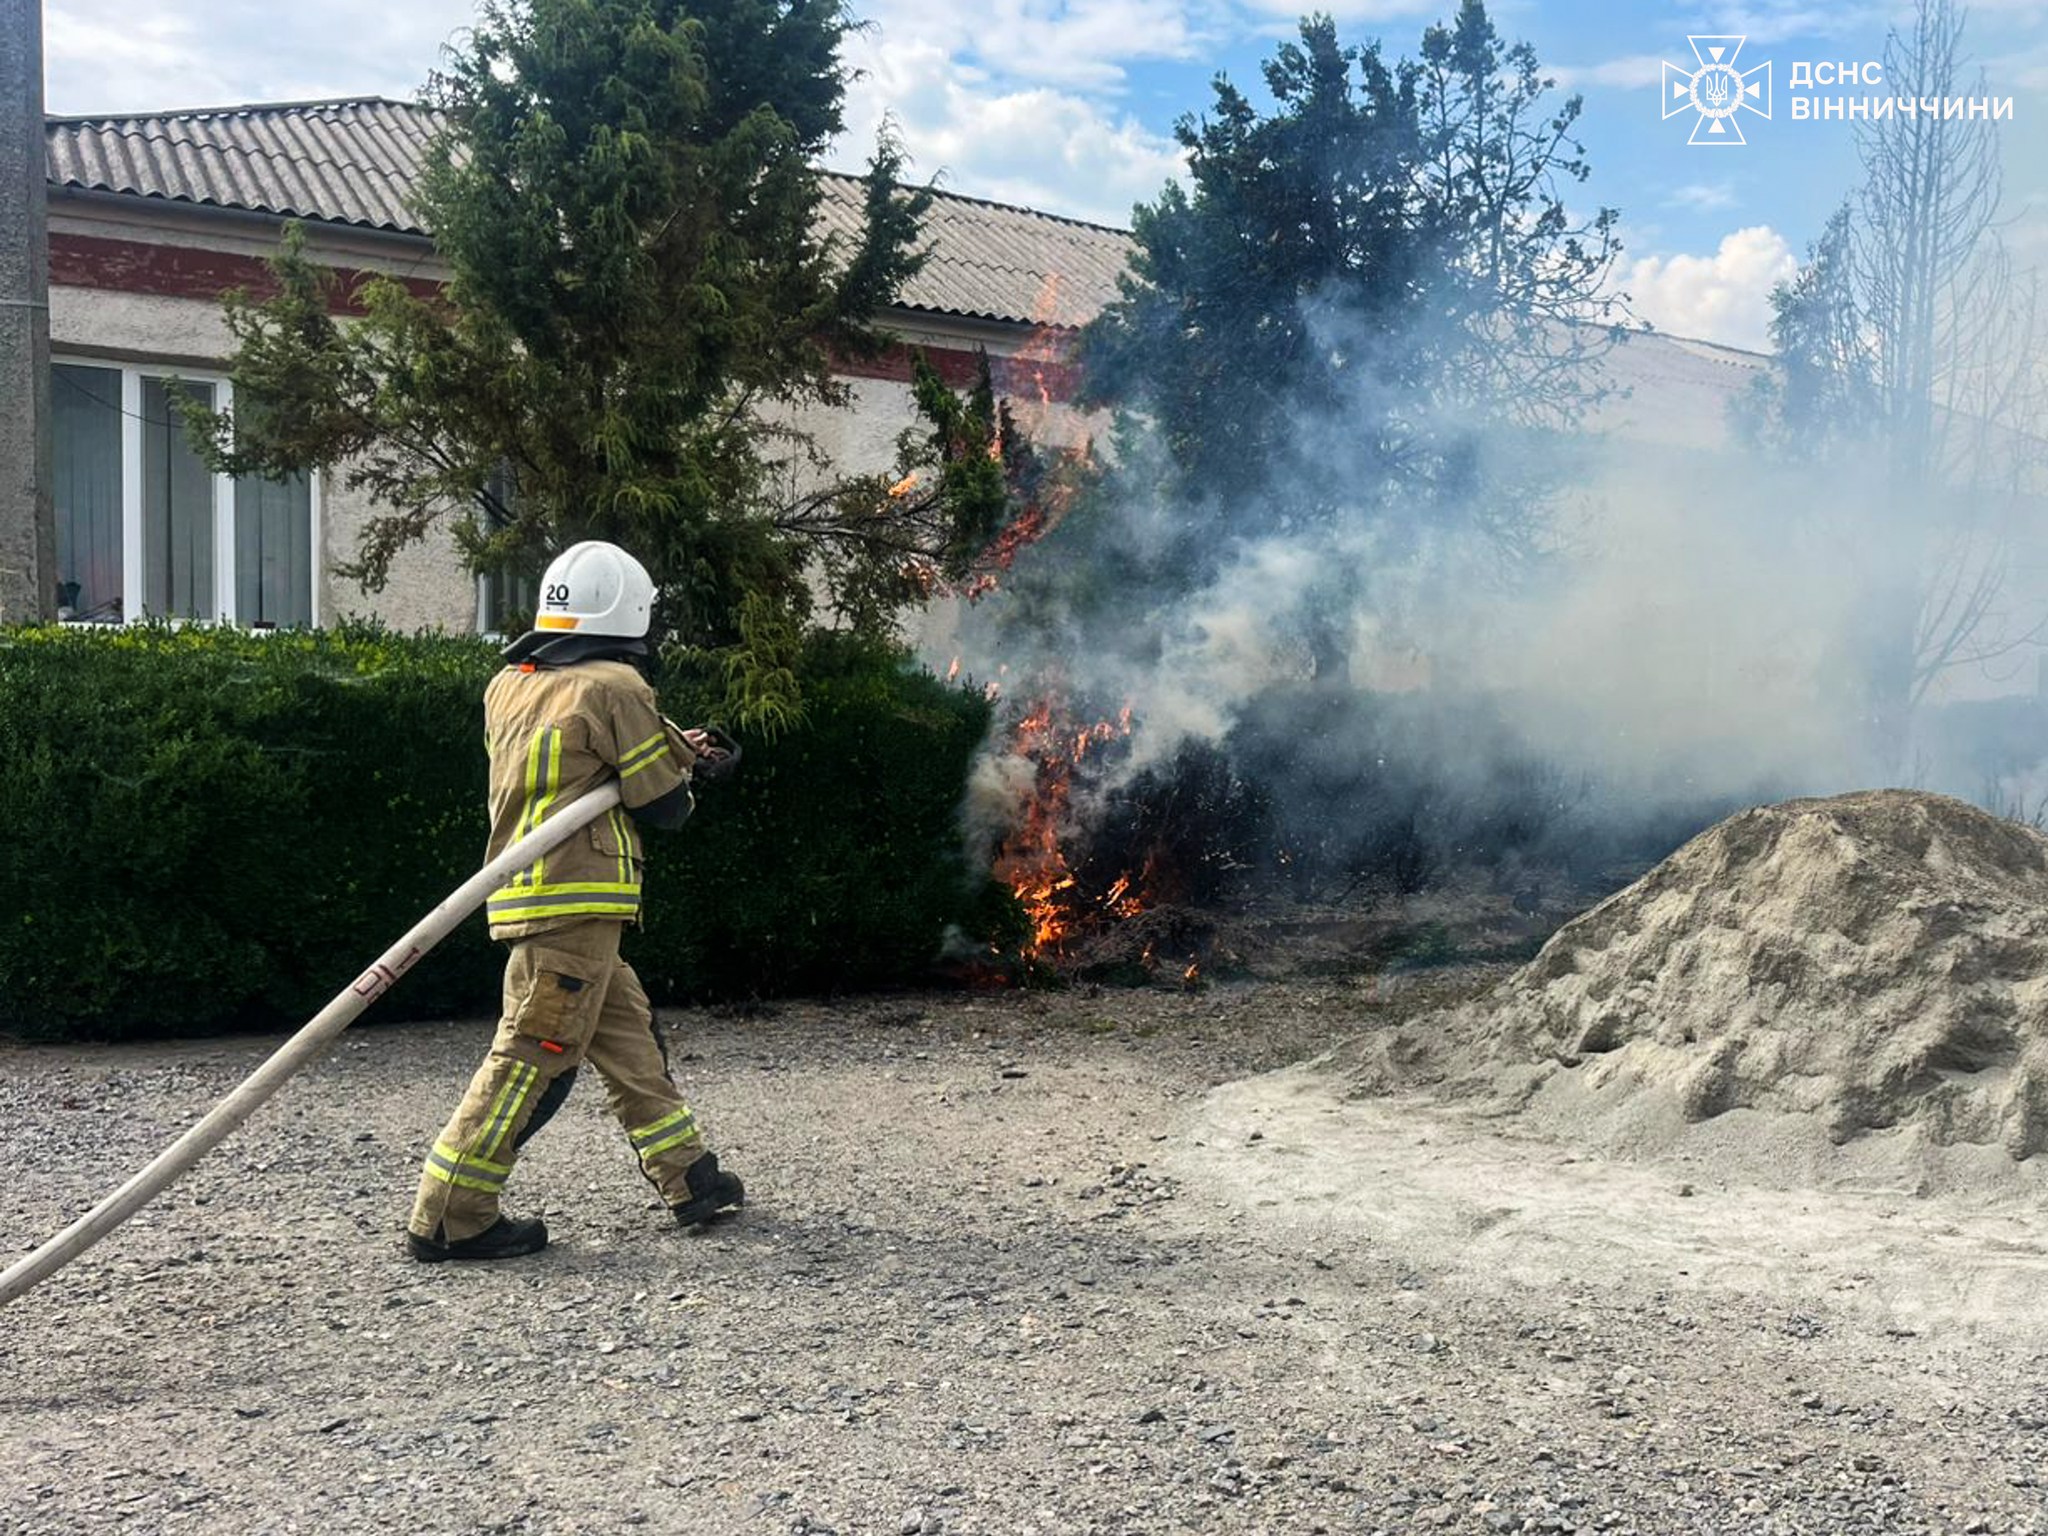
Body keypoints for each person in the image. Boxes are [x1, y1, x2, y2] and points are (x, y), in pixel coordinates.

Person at [406, 540, 745, 1263]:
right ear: (632, 612)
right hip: (578, 893)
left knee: (627, 1037)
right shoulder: (618, 685)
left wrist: (668, 745)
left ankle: (689, 1176)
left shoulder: (511, 683)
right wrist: (693, 771)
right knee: (535, 1052)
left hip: (529, 890)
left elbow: (583, 762)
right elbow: (661, 805)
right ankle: (451, 1214)